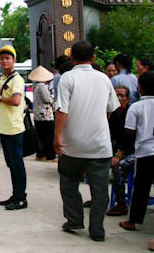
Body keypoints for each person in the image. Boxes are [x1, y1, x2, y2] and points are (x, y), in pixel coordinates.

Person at [54, 41, 119, 242]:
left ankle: (74, 219)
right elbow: (111, 109)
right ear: (93, 58)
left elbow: (62, 110)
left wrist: (57, 136)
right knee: (100, 190)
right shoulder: (104, 78)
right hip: (100, 145)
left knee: (68, 181)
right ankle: (97, 229)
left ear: (72, 57)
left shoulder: (68, 78)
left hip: (72, 144)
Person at [0, 45, 28, 211]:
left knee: (17, 164)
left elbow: (16, 101)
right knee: (11, 163)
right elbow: (1, 101)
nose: (4, 61)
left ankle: (21, 197)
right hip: (4, 127)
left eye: (7, 58)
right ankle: (15, 194)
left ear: (14, 60)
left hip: (14, 127)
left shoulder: (17, 79)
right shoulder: (4, 78)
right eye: (2, 58)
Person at [119, 71, 154, 235]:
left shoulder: (137, 107)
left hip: (145, 152)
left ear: (140, 87)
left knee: (141, 188)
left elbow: (129, 131)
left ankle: (132, 221)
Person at [106, 86, 135, 217]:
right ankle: (98, 198)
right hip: (117, 149)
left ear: (127, 99)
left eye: (121, 96)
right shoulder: (113, 114)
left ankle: (121, 204)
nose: (118, 98)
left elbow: (129, 137)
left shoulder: (131, 112)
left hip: (134, 150)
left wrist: (118, 154)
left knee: (119, 167)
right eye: (116, 95)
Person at [28, 65, 56, 162]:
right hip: (45, 115)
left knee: (41, 136)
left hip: (38, 114)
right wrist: (53, 98)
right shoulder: (42, 86)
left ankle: (41, 154)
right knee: (49, 136)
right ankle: (50, 156)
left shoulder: (36, 86)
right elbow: (47, 99)